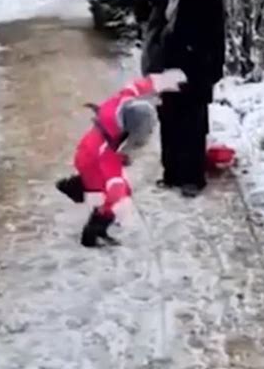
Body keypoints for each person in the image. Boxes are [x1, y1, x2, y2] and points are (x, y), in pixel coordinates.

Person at [133, 0, 226, 197]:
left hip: (195, 64)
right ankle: (172, 173)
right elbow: (138, 11)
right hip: (163, 63)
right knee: (169, 117)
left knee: (193, 121)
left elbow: (216, 28)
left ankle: (193, 177)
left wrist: (215, 67)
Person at [55, 69, 186, 247]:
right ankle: (92, 234)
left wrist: (165, 80)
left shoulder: (123, 103)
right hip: (90, 162)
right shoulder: (107, 153)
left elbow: (139, 85)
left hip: (89, 151)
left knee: (113, 192)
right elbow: (114, 182)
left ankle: (75, 186)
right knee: (110, 199)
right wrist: (119, 203)